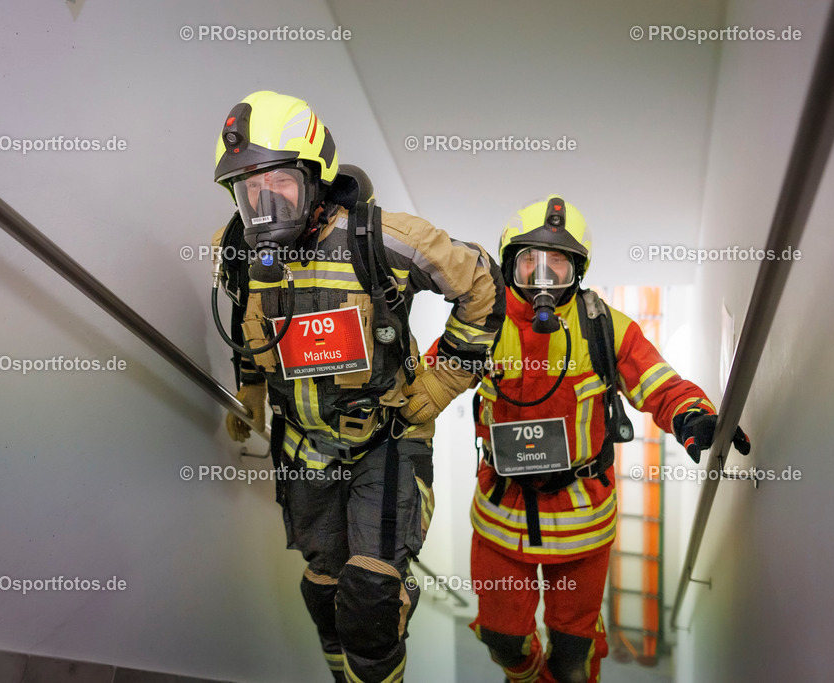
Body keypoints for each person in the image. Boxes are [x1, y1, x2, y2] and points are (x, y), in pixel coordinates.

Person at [213, 91, 505, 682]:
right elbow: (248, 321)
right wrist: (251, 392)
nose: (265, 203)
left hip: (386, 440)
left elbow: (482, 286)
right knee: (325, 589)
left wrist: (446, 380)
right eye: (249, 189)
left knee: (370, 599)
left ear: (316, 175)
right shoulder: (238, 250)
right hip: (304, 448)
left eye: (281, 183)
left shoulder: (384, 239)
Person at [467, 196, 750, 682]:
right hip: (502, 516)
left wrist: (693, 416)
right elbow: (431, 379)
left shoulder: (605, 328)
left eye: (557, 262)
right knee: (501, 637)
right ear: (509, 262)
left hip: (583, 518)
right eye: (529, 259)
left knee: (573, 655)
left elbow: (660, 382)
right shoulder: (481, 324)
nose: (542, 275)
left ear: (577, 270)